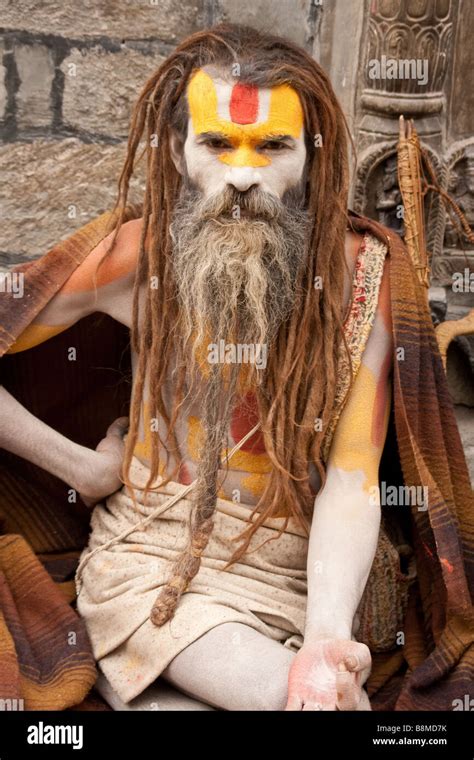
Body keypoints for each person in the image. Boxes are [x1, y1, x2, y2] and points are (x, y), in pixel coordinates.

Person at [1, 24, 472, 712]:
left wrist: (324, 639)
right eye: (218, 143)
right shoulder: (138, 260)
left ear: (312, 155)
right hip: (154, 561)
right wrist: (82, 471)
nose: (244, 174)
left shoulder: (361, 280)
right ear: (177, 150)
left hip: (306, 570)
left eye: (272, 145)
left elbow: (351, 481)